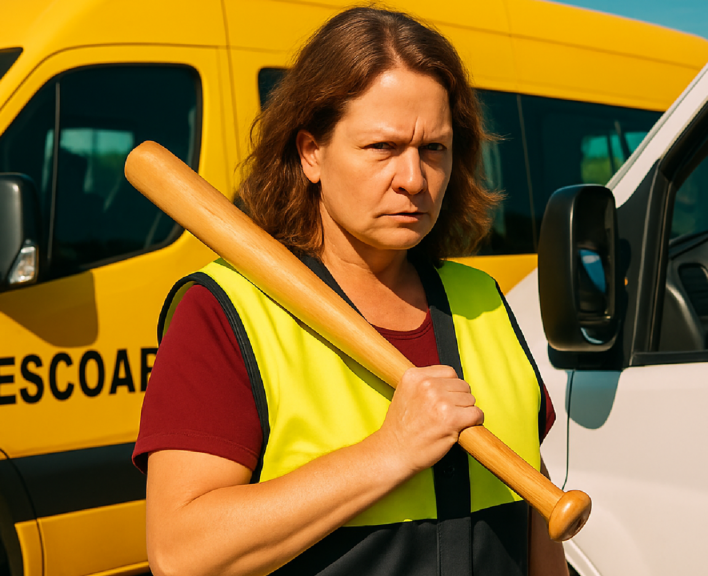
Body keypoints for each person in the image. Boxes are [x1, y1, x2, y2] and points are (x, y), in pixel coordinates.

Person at [132, 8, 568, 576]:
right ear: (311, 152)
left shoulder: (480, 299)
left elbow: (537, 521)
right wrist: (387, 454)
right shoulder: (227, 310)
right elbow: (181, 554)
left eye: (434, 149)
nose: (414, 178)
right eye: (383, 148)